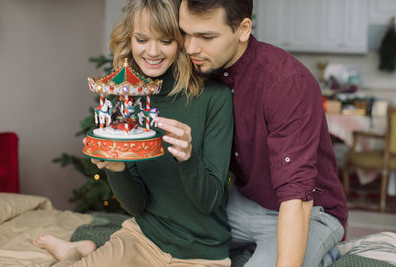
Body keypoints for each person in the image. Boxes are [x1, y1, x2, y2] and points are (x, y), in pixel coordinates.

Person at [33, 0, 233, 266]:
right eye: (142, 39)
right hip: (144, 238)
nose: (152, 51)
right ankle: (76, 252)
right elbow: (137, 206)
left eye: (165, 40)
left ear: (182, 42)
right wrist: (117, 169)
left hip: (201, 252)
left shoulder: (215, 99)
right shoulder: (126, 103)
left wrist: (188, 157)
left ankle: (79, 249)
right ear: (130, 40)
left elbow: (210, 202)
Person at [178, 0, 348, 267]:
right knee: (169, 242)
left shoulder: (286, 82)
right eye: (185, 33)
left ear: (244, 29)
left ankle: (320, 252)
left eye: (206, 36)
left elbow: (297, 195)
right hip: (244, 201)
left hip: (311, 210)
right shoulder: (203, 67)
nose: (190, 48)